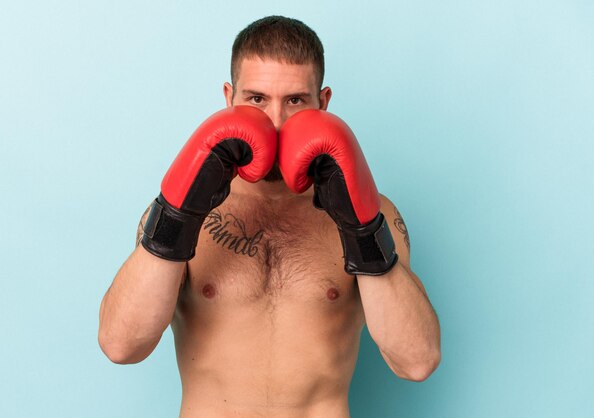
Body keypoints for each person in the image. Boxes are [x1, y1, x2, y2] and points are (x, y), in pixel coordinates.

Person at [99, 15, 441, 417]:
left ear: (323, 102)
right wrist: (178, 214)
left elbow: (416, 361)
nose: (275, 122)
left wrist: (360, 228)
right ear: (229, 99)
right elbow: (121, 346)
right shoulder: (184, 209)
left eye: (295, 100)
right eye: (257, 99)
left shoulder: (373, 212)